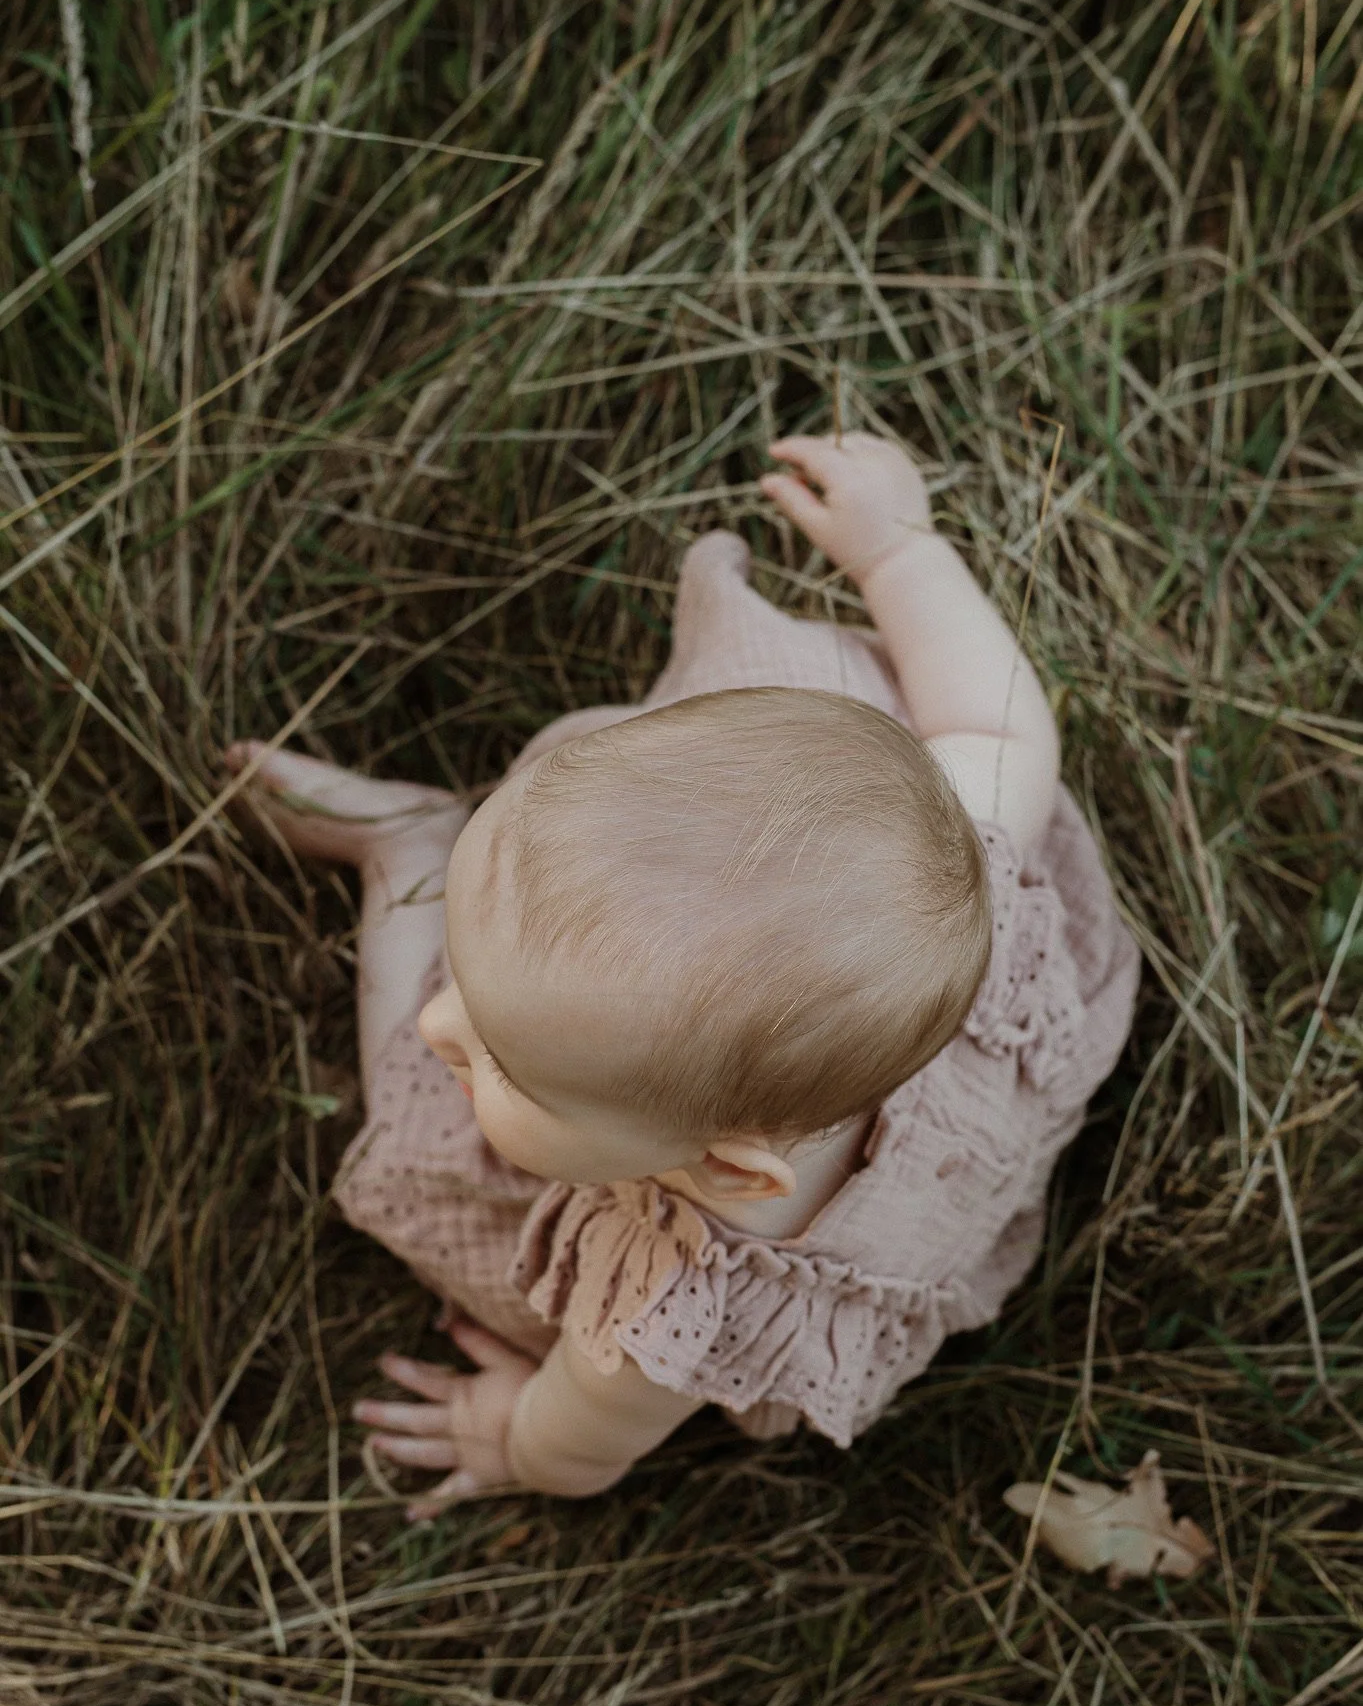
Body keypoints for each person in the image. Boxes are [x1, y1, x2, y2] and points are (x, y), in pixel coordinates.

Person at [226, 433, 1139, 1515]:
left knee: (418, 1127)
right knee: (752, 788)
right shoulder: (947, 870)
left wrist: (513, 1438)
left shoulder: (676, 1288)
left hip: (848, 1204)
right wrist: (898, 552)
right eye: (462, 986)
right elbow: (992, 720)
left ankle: (410, 849)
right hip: (895, 1000)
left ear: (725, 1169)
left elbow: (584, 1434)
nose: (437, 1022)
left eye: (504, 1062)